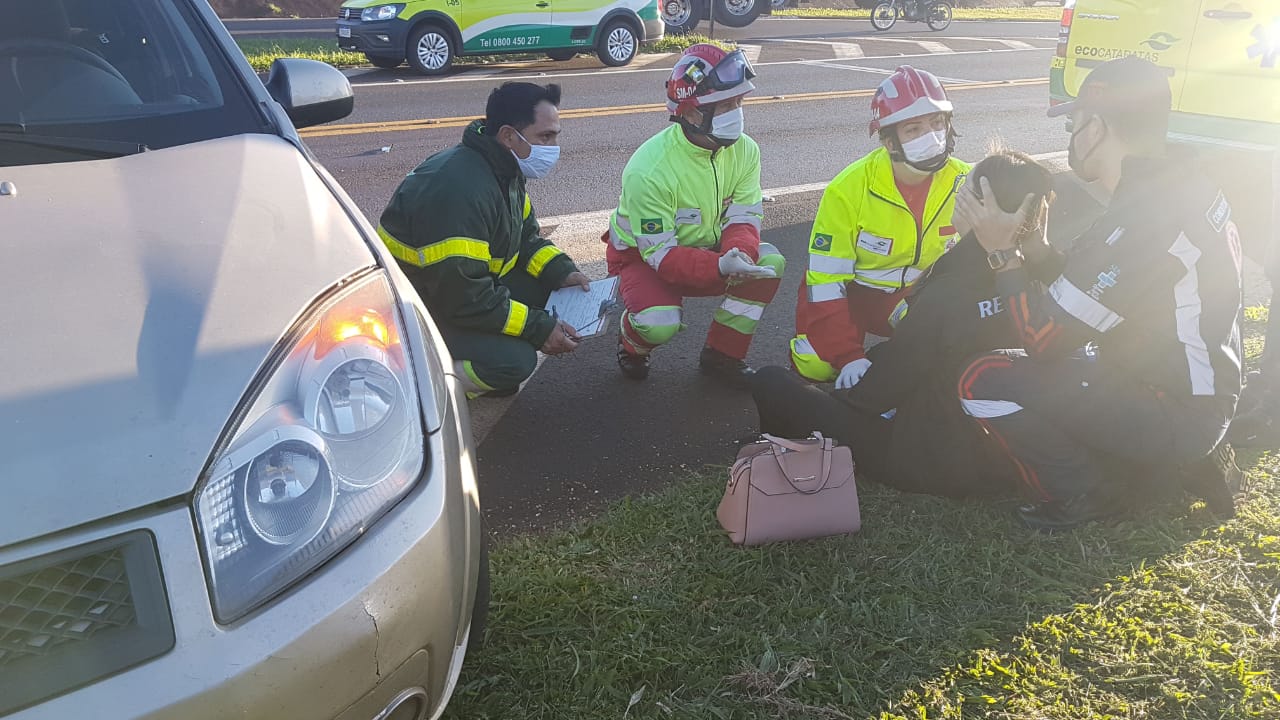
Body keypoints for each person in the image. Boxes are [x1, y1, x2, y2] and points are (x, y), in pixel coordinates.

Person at [956, 56, 1245, 530]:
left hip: (1178, 409)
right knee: (1080, 357)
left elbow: (1044, 337)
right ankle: (1160, 461)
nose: (1070, 136)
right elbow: (1110, 292)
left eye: (1072, 123)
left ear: (1096, 127)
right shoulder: (1183, 182)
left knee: (980, 377)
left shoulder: (1141, 218)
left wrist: (1002, 253)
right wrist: (1040, 251)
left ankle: (1084, 491)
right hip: (1201, 391)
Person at [750, 151, 1053, 497]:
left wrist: (837, 394)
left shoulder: (950, 291)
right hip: (1002, 448)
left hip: (932, 461)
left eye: (964, 189)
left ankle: (778, 461)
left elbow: (875, 393)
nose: (956, 192)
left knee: (771, 382)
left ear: (982, 208)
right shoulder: (1032, 274)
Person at [378, 82, 590, 397]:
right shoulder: (460, 190)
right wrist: (537, 328)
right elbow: (465, 297)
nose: (554, 147)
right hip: (417, 310)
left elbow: (526, 239)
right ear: (508, 136)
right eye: (545, 137)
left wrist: (562, 272)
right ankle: (426, 386)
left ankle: (478, 352)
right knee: (514, 363)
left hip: (456, 288)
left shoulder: (503, 168)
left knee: (552, 292)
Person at [606, 44, 786, 390]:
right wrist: (720, 267)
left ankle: (723, 354)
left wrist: (741, 257)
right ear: (690, 113)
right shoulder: (649, 170)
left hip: (708, 248)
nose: (736, 112)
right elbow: (661, 255)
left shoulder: (745, 150)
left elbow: (744, 214)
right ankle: (632, 342)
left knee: (769, 263)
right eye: (725, 105)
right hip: (643, 258)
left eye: (738, 102)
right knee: (658, 323)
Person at [791, 66, 971, 389]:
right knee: (818, 365)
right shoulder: (847, 190)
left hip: (906, 299)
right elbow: (826, 282)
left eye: (937, 123)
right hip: (847, 295)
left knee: (943, 347)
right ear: (888, 142)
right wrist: (848, 356)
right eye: (913, 129)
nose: (931, 136)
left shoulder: (965, 182)